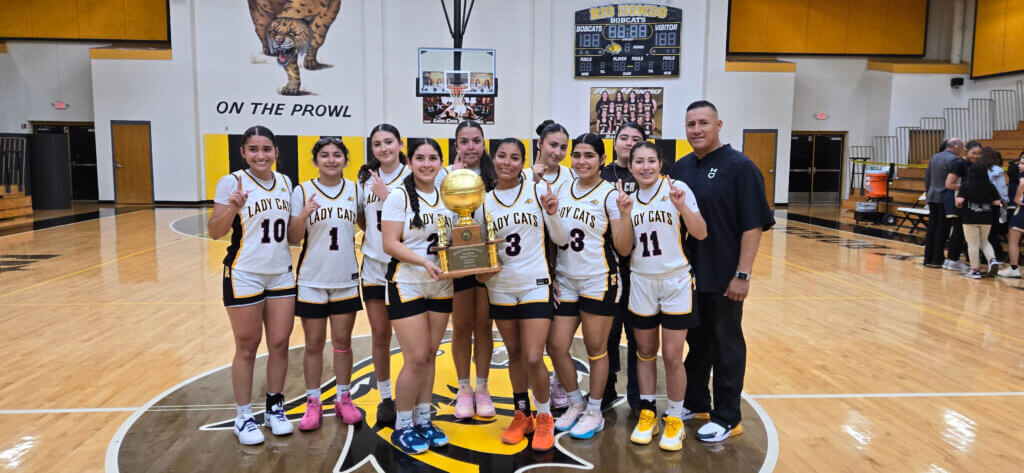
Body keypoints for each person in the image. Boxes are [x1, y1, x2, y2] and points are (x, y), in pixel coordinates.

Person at [669, 100, 774, 443]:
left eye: (703, 123)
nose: (696, 130)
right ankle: (696, 402)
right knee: (697, 343)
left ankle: (728, 417)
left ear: (718, 125)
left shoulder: (740, 167)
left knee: (727, 345)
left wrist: (742, 274)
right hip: (688, 276)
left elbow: (753, 224)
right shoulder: (682, 167)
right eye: (691, 124)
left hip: (725, 274)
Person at [207, 125, 296, 446]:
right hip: (244, 273)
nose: (261, 155)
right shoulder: (231, 181)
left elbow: (292, 233)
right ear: (243, 152)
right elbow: (214, 231)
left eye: (267, 149)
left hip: (281, 273)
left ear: (276, 152)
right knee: (247, 346)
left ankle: (275, 408)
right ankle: (243, 416)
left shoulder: (286, 182)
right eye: (254, 149)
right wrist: (232, 206)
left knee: (280, 344)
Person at [479, 138, 568, 451]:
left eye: (514, 157)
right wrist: (479, 271)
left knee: (532, 356)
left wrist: (553, 213)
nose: (507, 162)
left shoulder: (537, 190)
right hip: (500, 286)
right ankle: (522, 414)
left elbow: (561, 238)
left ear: (523, 163)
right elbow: (479, 249)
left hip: (534, 283)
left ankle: (544, 415)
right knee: (514, 353)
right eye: (501, 156)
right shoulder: (482, 202)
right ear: (493, 159)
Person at [618, 142, 706, 451]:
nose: (645, 167)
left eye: (651, 161)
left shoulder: (677, 189)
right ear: (630, 167)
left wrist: (682, 207)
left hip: (676, 281)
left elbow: (701, 232)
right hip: (642, 280)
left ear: (660, 163)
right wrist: (624, 215)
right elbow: (624, 249)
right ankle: (647, 412)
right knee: (644, 352)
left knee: (671, 355)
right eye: (639, 161)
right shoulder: (627, 199)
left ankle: (675, 417)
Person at [549, 133, 632, 440]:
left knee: (596, 348)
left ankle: (594, 411)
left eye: (589, 156)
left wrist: (625, 214)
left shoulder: (610, 195)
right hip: (566, 279)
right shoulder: (562, 188)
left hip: (599, 278)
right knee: (556, 346)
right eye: (577, 155)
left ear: (602, 160)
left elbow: (623, 248)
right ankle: (575, 402)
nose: (582, 161)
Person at [381, 138, 454, 454]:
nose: (427, 164)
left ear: (441, 163)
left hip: (441, 284)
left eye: (433, 158)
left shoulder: (449, 196)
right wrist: (423, 262)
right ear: (409, 162)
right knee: (415, 357)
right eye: (420, 158)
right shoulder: (398, 196)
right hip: (407, 282)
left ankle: (424, 420)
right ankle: (403, 425)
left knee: (431, 354)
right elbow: (389, 243)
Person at [289, 137, 364, 430]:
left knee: (343, 343)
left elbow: (366, 225)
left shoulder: (355, 190)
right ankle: (313, 402)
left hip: (345, 278)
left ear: (345, 160)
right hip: (312, 279)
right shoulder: (302, 190)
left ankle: (344, 398)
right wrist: (303, 215)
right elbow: (293, 237)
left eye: (336, 155)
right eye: (324, 155)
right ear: (315, 160)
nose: (331, 160)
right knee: (314, 344)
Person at [434, 120, 499, 420]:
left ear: (484, 143)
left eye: (476, 140)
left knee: (484, 326)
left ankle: (482, 387)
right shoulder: (444, 176)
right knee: (461, 326)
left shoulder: (494, 176)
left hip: (486, 261)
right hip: (458, 261)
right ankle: (464, 388)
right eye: (464, 141)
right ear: (456, 145)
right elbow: (436, 215)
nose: (470, 146)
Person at [358, 124, 410, 427]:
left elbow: (417, 220)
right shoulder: (364, 179)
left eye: (389, 142)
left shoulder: (411, 175)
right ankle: (386, 397)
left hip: (404, 266)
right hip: (373, 266)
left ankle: (412, 395)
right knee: (379, 333)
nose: (383, 148)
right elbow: (363, 219)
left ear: (400, 144)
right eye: (377, 144)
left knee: (408, 338)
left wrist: (387, 195)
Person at [599, 122, 646, 411]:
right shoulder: (602, 175)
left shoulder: (648, 173)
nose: (629, 143)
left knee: (638, 334)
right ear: (614, 143)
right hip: (609, 268)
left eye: (635, 139)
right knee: (608, 333)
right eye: (624, 138)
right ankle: (605, 389)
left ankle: (638, 396)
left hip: (641, 268)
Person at [956, 147, 1003, 278]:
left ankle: (974, 270)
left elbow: (959, 201)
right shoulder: (990, 185)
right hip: (986, 218)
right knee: (984, 241)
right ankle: (992, 260)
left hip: (969, 218)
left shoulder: (966, 184)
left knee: (972, 243)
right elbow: (997, 202)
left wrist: (961, 203)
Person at [923, 138, 964, 268]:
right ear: (956, 147)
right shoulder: (954, 160)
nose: (962, 150)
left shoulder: (934, 157)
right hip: (944, 197)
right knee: (943, 228)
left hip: (932, 195)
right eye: (961, 147)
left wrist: (928, 193)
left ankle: (928, 257)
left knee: (932, 227)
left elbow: (927, 177)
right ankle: (937, 258)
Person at [944, 141, 982, 272]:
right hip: (956, 200)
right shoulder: (959, 163)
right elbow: (949, 184)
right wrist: (970, 188)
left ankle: (951, 260)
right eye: (974, 153)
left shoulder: (972, 165)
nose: (976, 156)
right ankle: (952, 260)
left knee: (959, 230)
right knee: (959, 230)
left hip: (964, 200)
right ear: (966, 151)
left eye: (979, 154)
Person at [527, 120, 576, 191]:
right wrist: (534, 183)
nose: (558, 153)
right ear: (539, 143)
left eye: (563, 147)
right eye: (553, 145)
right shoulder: (523, 177)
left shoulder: (573, 176)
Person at [998, 154, 1024, 277]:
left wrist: (1017, 198)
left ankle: (1014, 268)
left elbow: (1022, 183)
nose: (1019, 165)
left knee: (1013, 240)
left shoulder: (1022, 176)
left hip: (1021, 211)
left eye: (1022, 164)